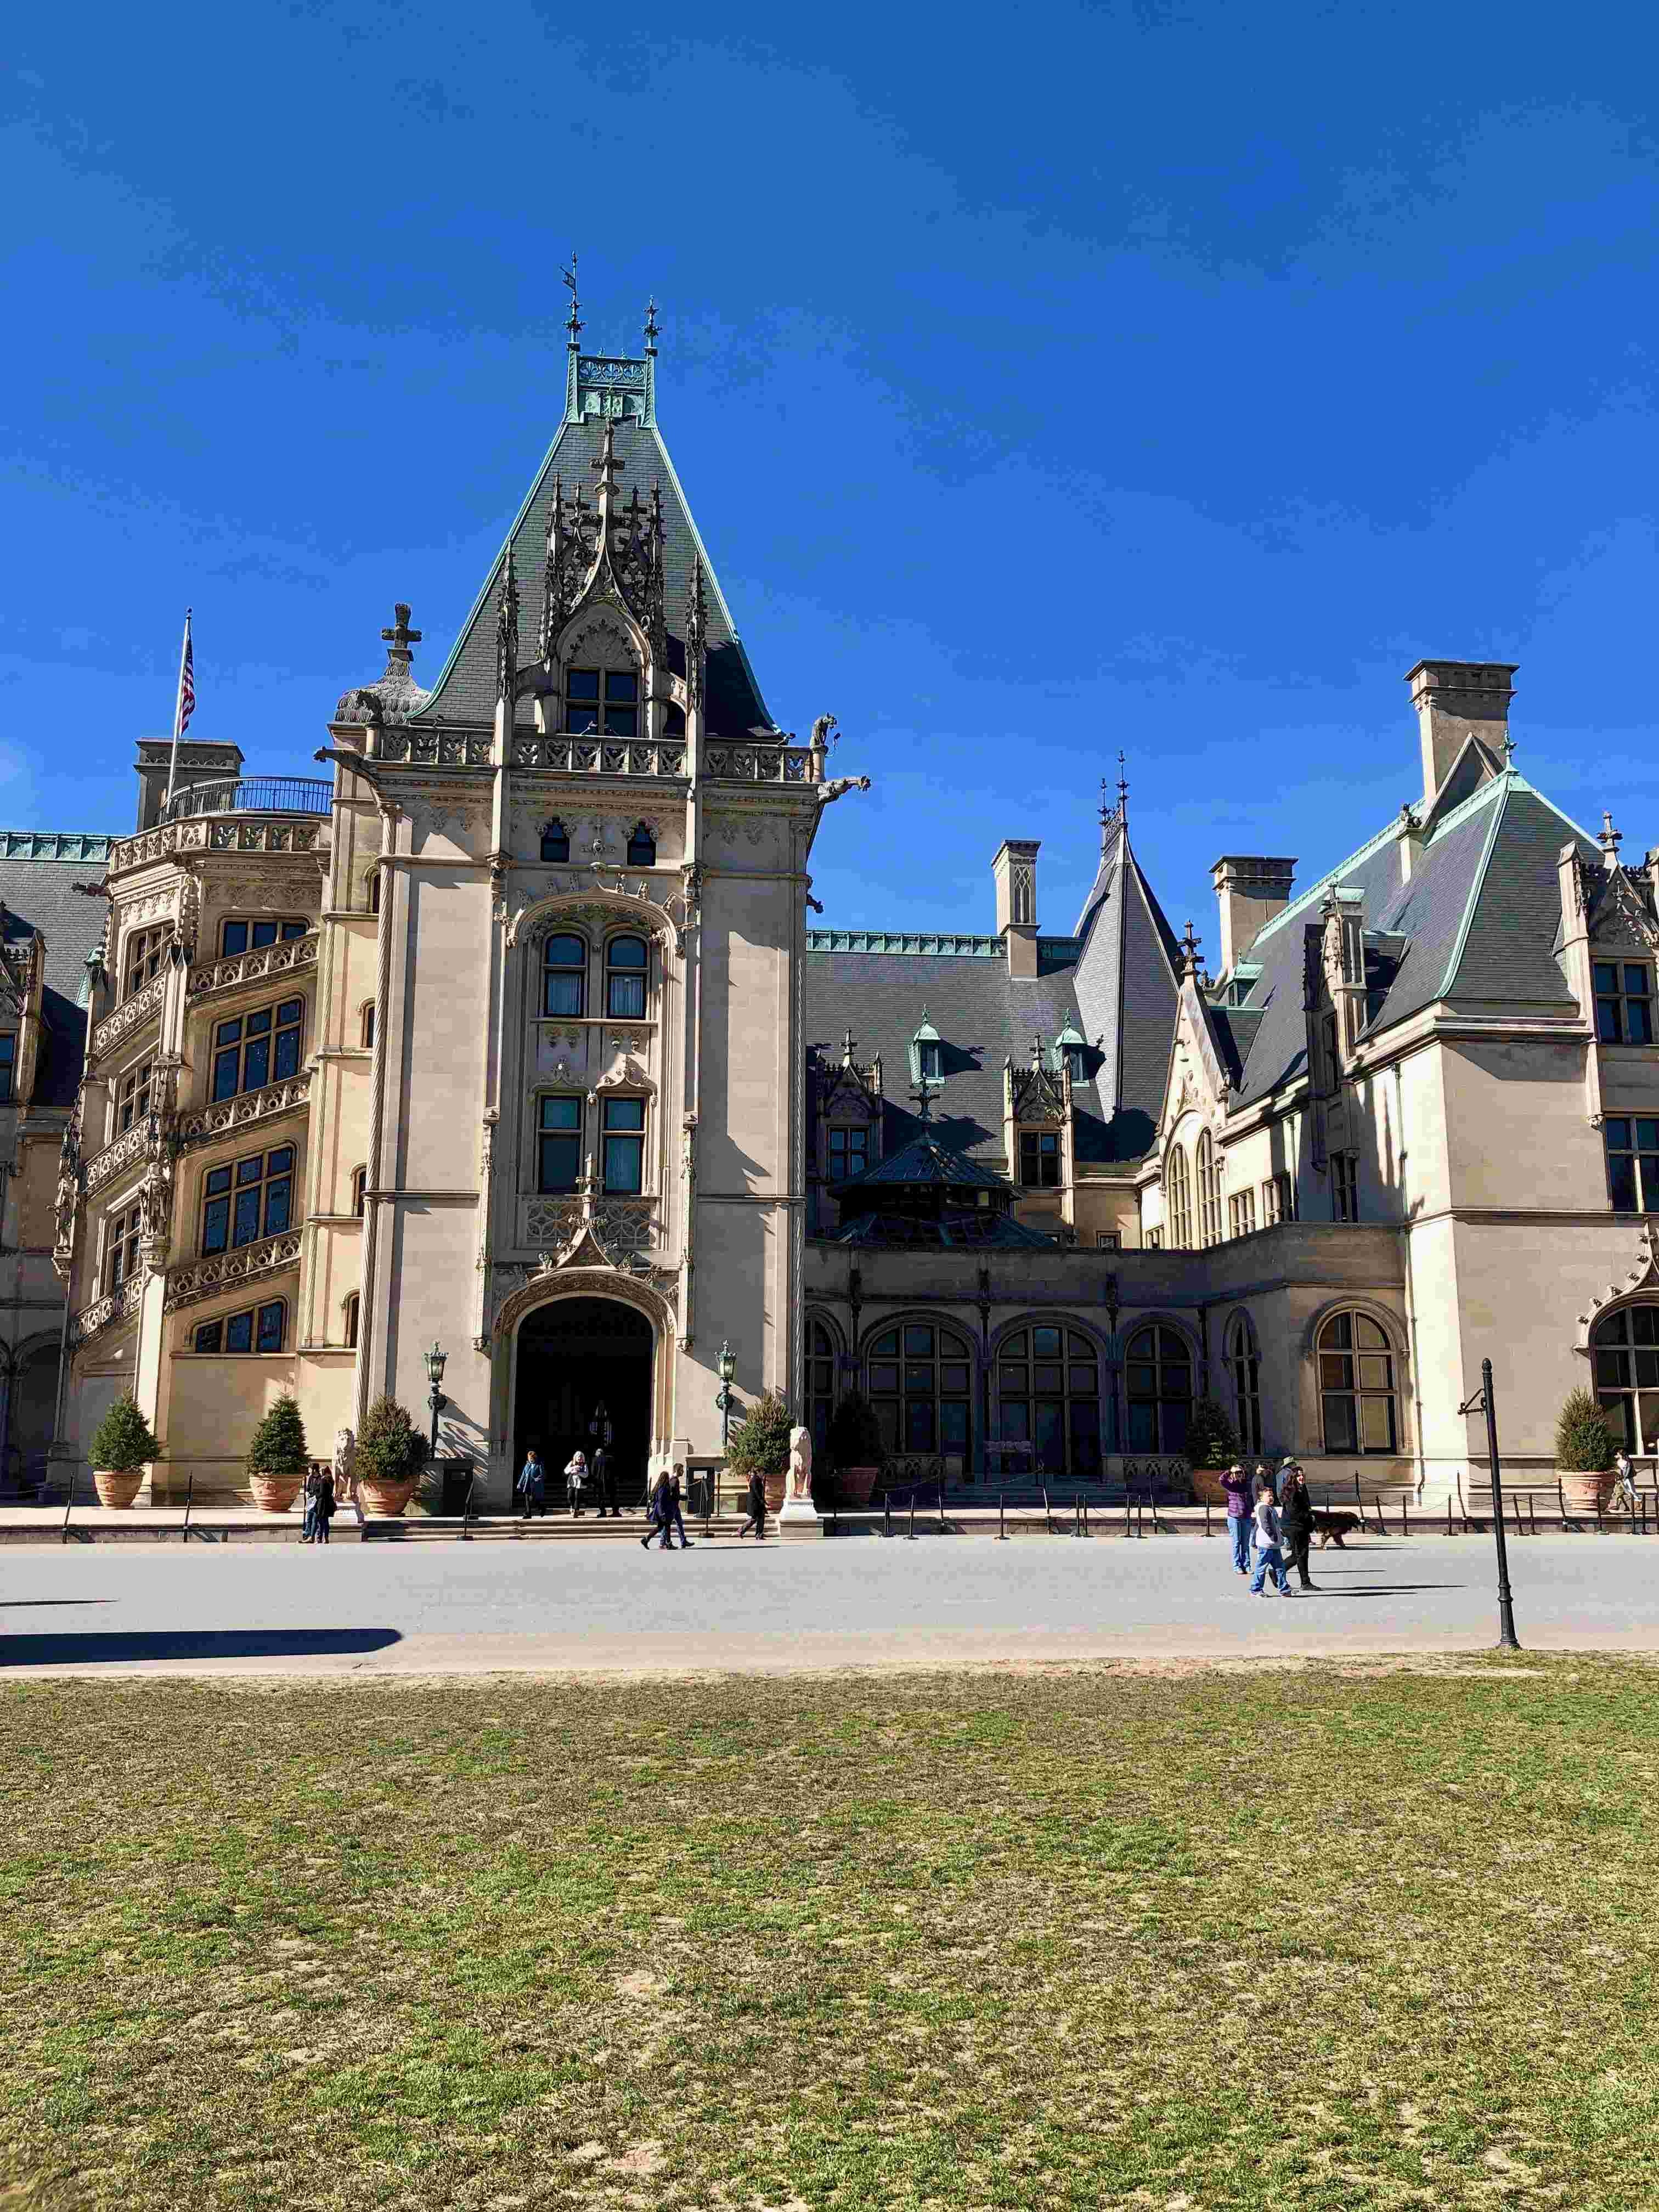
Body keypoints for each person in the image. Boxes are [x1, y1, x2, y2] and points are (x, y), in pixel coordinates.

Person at [1248, 1472, 1292, 1595]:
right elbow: (1265, 1525)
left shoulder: (1269, 1508)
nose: (1272, 1497)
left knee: (1280, 1568)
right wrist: (1274, 1537)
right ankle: (1256, 1590)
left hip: (1274, 1545)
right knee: (1261, 1568)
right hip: (1267, 1545)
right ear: (1262, 1498)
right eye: (1269, 1496)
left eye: (1272, 1495)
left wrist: (1281, 1535)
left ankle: (1284, 1589)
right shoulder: (1263, 1508)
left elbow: (1260, 1526)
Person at [1279, 1463, 1317, 1590]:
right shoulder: (1291, 1490)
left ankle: (1306, 1582)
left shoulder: (1302, 1488)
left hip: (1301, 1526)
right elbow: (1294, 1512)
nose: (1301, 1477)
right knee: (1298, 1555)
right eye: (1298, 1476)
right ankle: (1277, 1572)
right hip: (1292, 1527)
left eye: (1302, 1475)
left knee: (1303, 1554)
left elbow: (1306, 1506)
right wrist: (1309, 1516)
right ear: (1293, 1477)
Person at [1218, 1462, 1252, 1575]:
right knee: (1237, 1542)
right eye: (1237, 1473)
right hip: (1235, 1517)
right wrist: (1230, 1471)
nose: (1239, 1475)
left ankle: (1247, 1565)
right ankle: (1237, 1565)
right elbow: (1221, 1480)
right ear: (1233, 1474)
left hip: (1246, 1516)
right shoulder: (1230, 1484)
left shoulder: (1246, 1484)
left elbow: (1250, 1497)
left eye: (1240, 1473)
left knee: (1245, 1543)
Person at [641, 1466, 675, 1550]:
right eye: (667, 1478)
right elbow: (660, 1502)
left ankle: (646, 1540)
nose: (669, 1479)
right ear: (665, 1478)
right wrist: (662, 1514)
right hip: (662, 1511)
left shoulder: (663, 1487)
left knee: (661, 1527)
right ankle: (668, 1544)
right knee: (666, 1527)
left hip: (663, 1511)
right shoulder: (663, 1488)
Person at [517, 1444, 546, 1521]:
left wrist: (538, 1479)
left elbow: (542, 1474)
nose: (530, 1460)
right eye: (529, 1458)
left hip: (535, 1485)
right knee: (527, 1500)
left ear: (534, 1458)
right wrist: (520, 1483)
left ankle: (542, 1508)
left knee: (533, 1500)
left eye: (532, 1459)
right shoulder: (527, 1465)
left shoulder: (539, 1464)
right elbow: (524, 1474)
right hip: (527, 1485)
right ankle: (528, 1514)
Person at [667, 1462, 693, 1548]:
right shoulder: (675, 1480)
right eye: (682, 1470)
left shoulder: (672, 1479)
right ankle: (663, 1543)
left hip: (675, 1506)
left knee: (680, 1524)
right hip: (673, 1506)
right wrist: (683, 1497)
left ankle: (683, 1541)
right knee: (667, 1525)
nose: (683, 1472)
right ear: (678, 1470)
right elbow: (673, 1495)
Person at [738, 1467, 767, 1542]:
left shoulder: (758, 1479)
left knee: (761, 1519)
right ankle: (741, 1530)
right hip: (755, 1504)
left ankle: (759, 1535)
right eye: (762, 1472)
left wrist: (763, 1501)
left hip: (759, 1503)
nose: (763, 1473)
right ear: (758, 1472)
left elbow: (760, 1493)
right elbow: (756, 1492)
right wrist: (762, 1501)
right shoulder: (755, 1480)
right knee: (755, 1519)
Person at [595, 1443, 620, 1518]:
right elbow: (616, 1470)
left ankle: (603, 1512)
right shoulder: (611, 1459)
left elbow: (593, 1472)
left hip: (600, 1482)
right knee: (613, 1497)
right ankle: (616, 1512)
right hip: (611, 1481)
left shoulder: (595, 1460)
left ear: (597, 1454)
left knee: (600, 1497)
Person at [1614, 1448, 1638, 1519]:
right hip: (1623, 1479)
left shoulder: (1627, 1462)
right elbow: (1621, 1470)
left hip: (1628, 1479)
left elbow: (1627, 1471)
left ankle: (1638, 1504)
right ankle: (1624, 1506)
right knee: (1619, 1492)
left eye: (1618, 1453)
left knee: (1632, 1491)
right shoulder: (1619, 1461)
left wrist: (1625, 1477)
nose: (1616, 1455)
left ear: (1621, 1454)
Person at [301, 1465, 321, 1544]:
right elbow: (308, 1488)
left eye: (311, 1470)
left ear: (315, 1470)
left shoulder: (320, 1479)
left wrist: (315, 1497)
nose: (310, 1471)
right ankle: (307, 1535)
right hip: (310, 1501)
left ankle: (313, 1537)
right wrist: (307, 1493)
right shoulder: (310, 1478)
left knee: (315, 1520)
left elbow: (320, 1491)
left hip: (316, 1502)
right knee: (308, 1519)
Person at [315, 1468, 336, 1547]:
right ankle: (326, 1538)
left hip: (322, 1503)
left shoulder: (323, 1480)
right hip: (329, 1503)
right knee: (326, 1521)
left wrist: (316, 1495)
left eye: (321, 1471)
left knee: (320, 1521)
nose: (320, 1472)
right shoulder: (331, 1480)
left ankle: (320, 1538)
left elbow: (321, 1493)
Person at [565, 1449, 588, 1517]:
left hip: (580, 1484)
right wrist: (573, 1468)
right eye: (578, 1457)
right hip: (571, 1483)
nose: (580, 1458)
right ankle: (572, 1507)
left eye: (581, 1457)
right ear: (575, 1457)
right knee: (570, 1497)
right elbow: (566, 1471)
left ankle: (576, 1511)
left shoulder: (584, 1465)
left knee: (577, 1497)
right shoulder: (572, 1463)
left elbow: (586, 1474)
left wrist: (578, 1473)